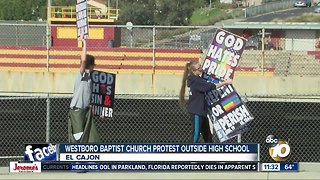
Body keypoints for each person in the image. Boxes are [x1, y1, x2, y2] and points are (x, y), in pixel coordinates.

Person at [179, 60, 232, 143]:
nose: (201, 68)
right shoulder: (195, 80)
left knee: (207, 136)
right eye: (198, 68)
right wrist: (225, 83)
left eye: (200, 66)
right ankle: (189, 152)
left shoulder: (197, 79)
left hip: (202, 111)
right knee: (196, 134)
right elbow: (212, 86)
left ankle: (209, 152)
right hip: (196, 111)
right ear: (193, 71)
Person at [68, 34, 100, 143]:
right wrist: (84, 43)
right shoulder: (81, 75)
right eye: (93, 65)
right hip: (77, 110)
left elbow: (87, 93)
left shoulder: (89, 77)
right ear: (90, 65)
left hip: (85, 110)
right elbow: (83, 61)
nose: (94, 67)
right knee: (78, 136)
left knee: (89, 136)